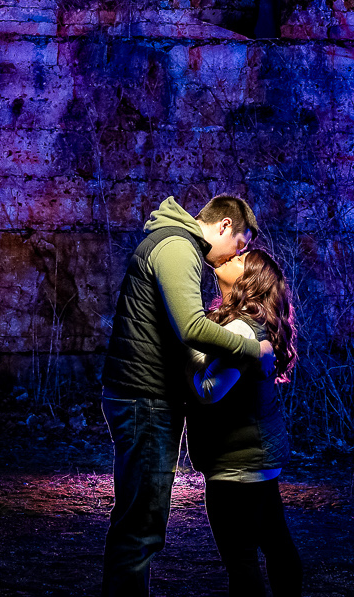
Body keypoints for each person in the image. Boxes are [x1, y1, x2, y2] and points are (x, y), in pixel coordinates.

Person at [101, 195, 275, 597]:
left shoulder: (175, 243)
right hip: (144, 398)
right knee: (141, 529)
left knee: (138, 523)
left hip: (142, 396)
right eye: (241, 244)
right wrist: (254, 349)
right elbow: (192, 328)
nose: (239, 255)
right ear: (225, 226)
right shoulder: (179, 247)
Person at [188, 248, 302, 597]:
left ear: (248, 281)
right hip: (256, 465)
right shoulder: (244, 322)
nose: (230, 257)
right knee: (280, 552)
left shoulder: (240, 327)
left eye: (240, 259)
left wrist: (181, 342)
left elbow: (208, 390)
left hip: (238, 469)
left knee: (243, 567)